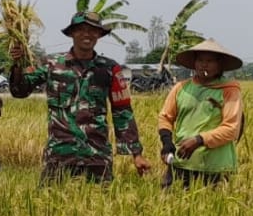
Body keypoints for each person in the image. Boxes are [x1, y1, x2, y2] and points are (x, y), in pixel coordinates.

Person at [9, 11, 151, 183]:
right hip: (60, 154)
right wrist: (17, 64)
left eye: (93, 30)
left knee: (99, 207)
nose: (87, 34)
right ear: (72, 33)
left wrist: (137, 154)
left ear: (99, 35)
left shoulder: (110, 69)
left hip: (97, 157)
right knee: (51, 207)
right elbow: (20, 91)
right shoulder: (51, 65)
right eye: (81, 29)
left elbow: (122, 112)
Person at [158, 39, 244, 188]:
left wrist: (199, 140)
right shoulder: (181, 88)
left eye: (210, 61)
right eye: (200, 60)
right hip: (182, 162)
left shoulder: (229, 90)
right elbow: (165, 117)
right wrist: (167, 142)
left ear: (220, 65)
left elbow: (231, 129)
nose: (204, 65)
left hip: (215, 166)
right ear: (194, 63)